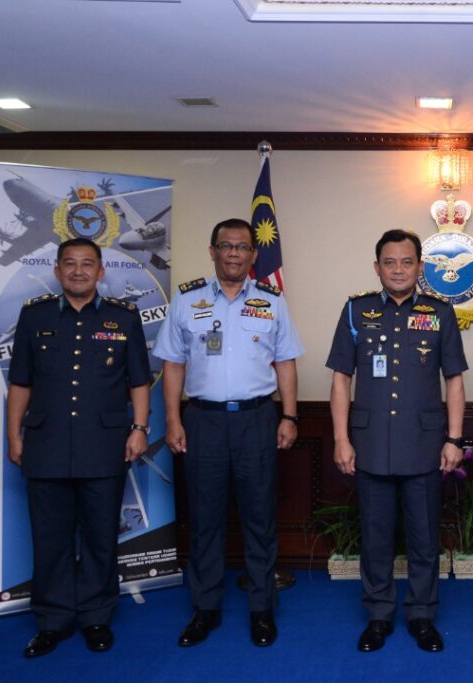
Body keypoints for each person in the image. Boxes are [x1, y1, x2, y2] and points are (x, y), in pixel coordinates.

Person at [154, 218, 303, 648]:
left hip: (257, 420)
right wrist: (174, 420)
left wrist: (290, 416)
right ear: (212, 250)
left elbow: (286, 361)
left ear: (254, 255)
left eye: (242, 246)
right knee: (204, 520)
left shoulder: (272, 301)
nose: (235, 253)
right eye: (226, 245)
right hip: (203, 421)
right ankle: (206, 608)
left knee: (259, 517)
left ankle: (261, 609)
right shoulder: (187, 299)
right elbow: (173, 364)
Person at [6, 237, 151, 658]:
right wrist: (15, 435)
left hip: (104, 445)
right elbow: (21, 383)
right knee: (49, 538)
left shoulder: (124, 318)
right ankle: (52, 620)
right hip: (46, 444)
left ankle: (95, 616)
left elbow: (139, 380)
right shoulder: (34, 317)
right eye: (70, 264)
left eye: (87, 264)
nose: (78, 271)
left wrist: (139, 427)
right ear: (57, 270)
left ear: (100, 272)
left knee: (100, 537)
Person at [326, 229, 467, 653]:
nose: (399, 269)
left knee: (424, 538)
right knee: (376, 538)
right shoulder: (357, 310)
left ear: (420, 268)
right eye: (390, 262)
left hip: (423, 445)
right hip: (370, 445)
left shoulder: (440, 312)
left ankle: (422, 616)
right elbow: (340, 379)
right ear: (377, 267)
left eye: (407, 262)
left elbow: (455, 380)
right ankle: (378, 616)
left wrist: (455, 438)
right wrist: (340, 439)